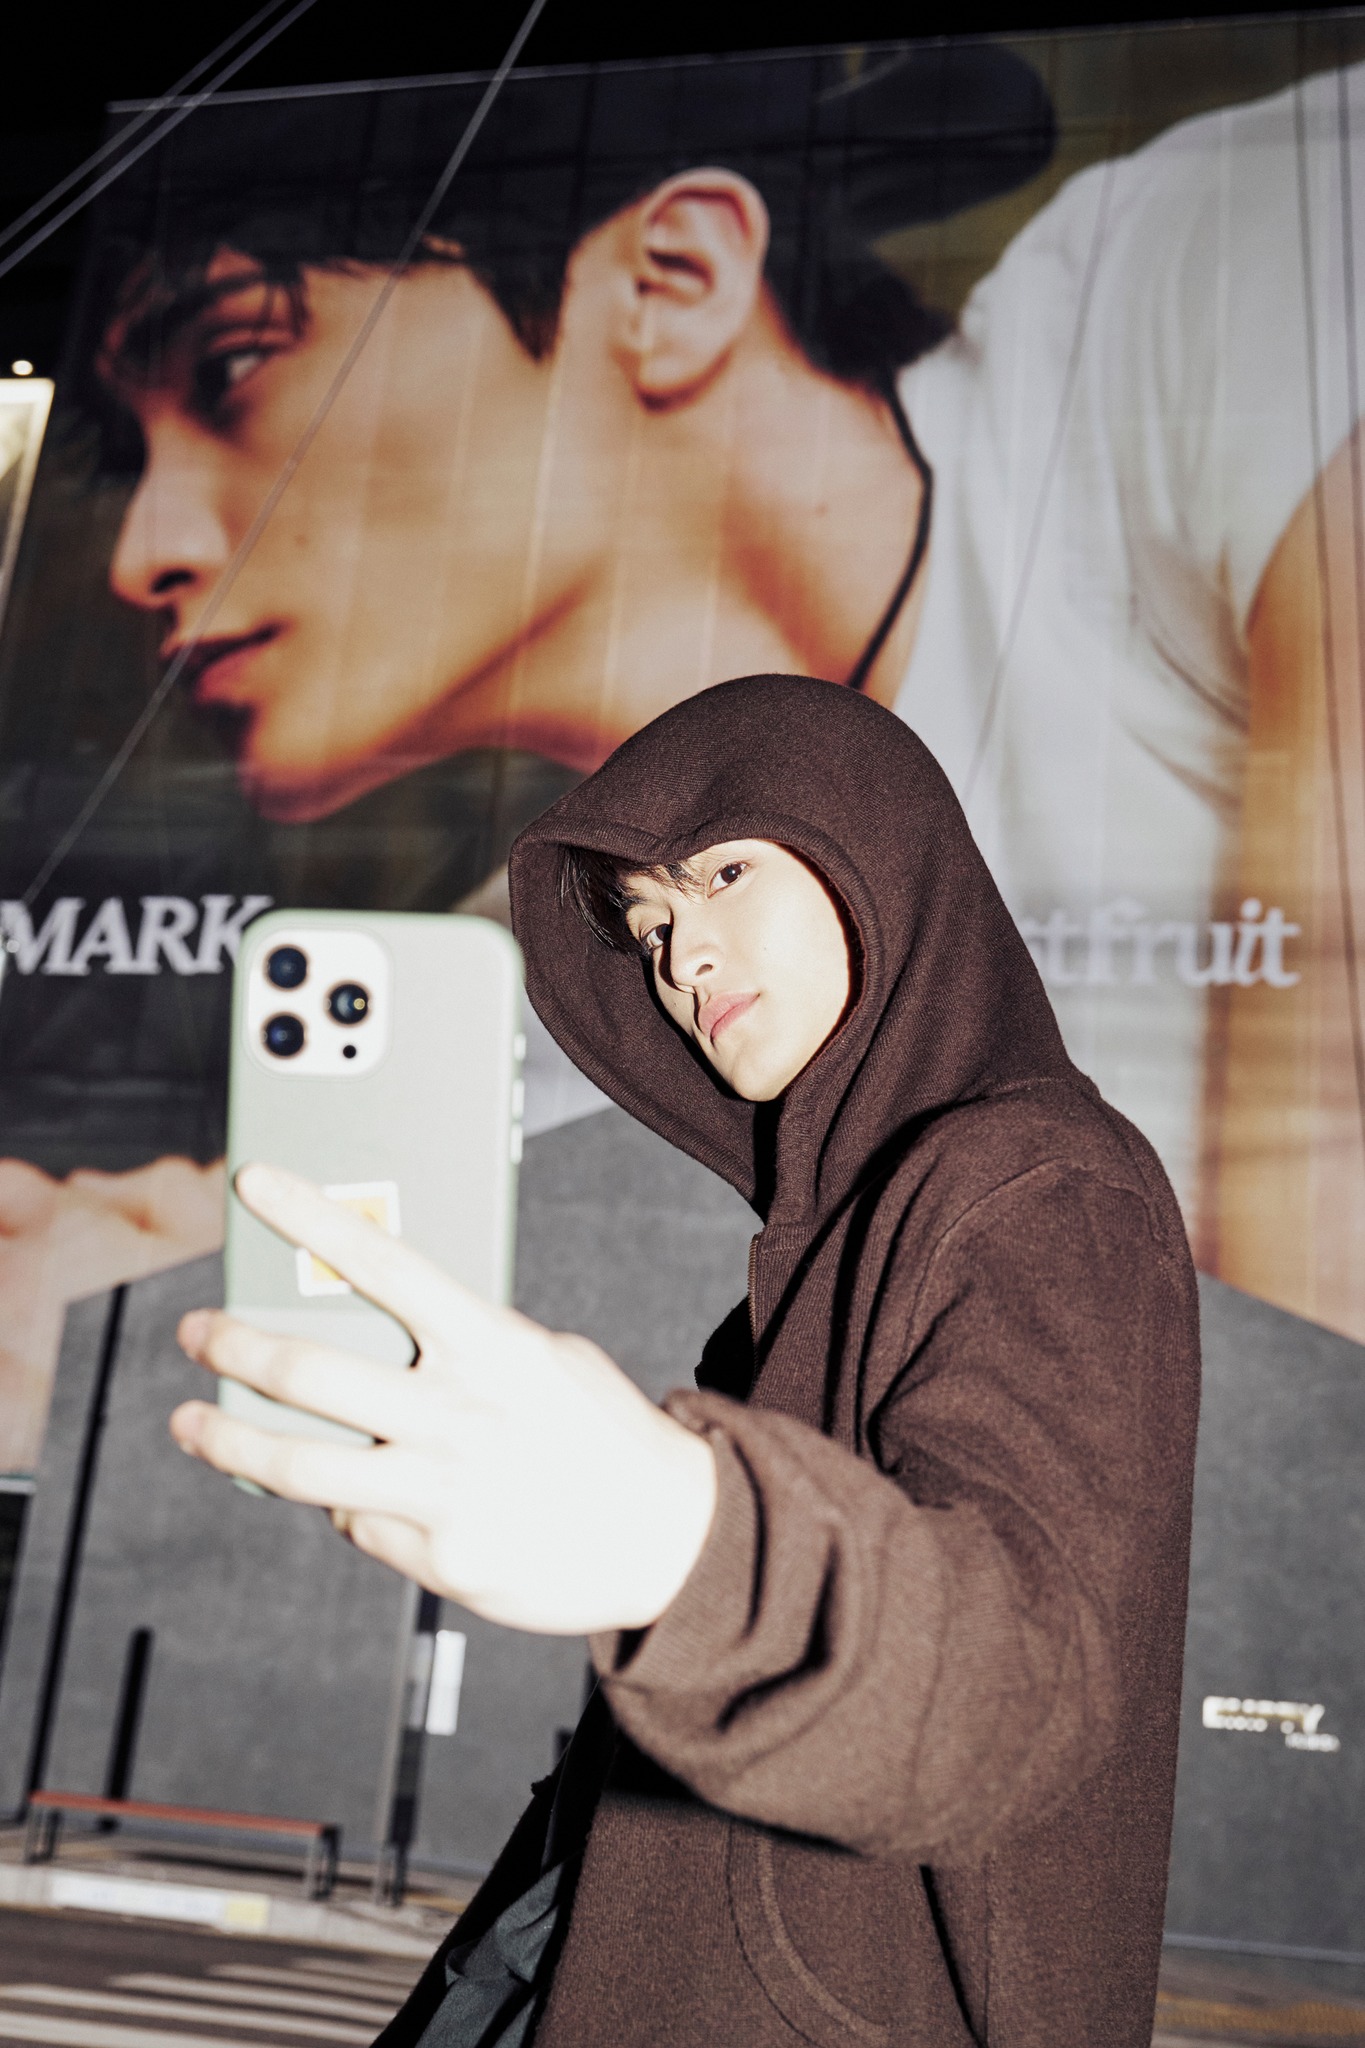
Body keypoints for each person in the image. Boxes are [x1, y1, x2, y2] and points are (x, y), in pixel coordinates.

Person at [6, 44, 1363, 1471]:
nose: (142, 554)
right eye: (654, 921)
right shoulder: (546, 996)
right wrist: (125, 1324)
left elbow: (1313, 1432)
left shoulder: (1206, 278)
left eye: (231, 366)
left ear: (673, 279)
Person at [170, 677, 1201, 2047]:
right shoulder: (819, 1260)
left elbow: (1024, 1686)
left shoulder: (1033, 1181)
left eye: (721, 876)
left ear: (875, 851)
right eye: (650, 923)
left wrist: (680, 1542)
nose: (682, 958)